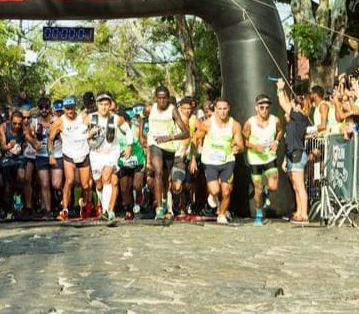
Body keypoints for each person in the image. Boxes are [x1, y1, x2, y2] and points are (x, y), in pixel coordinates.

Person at [194, 96, 244, 224]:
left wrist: (237, 148)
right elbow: (196, 137)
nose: (222, 111)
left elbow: (241, 144)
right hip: (210, 161)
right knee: (215, 190)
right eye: (220, 109)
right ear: (215, 109)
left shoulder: (235, 125)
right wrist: (198, 146)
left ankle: (221, 214)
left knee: (226, 190)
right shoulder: (208, 123)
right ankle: (212, 196)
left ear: (229, 109)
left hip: (227, 161)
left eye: (225, 109)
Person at [143, 85, 189, 219]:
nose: (162, 101)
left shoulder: (173, 110)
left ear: (168, 98)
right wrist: (141, 134)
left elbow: (186, 132)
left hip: (169, 146)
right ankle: (159, 208)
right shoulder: (150, 109)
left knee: (165, 178)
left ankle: (163, 200)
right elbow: (140, 117)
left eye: (164, 98)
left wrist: (169, 137)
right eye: (159, 98)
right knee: (158, 172)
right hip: (155, 143)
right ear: (156, 98)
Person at [87, 91, 134, 221]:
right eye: (101, 104)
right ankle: (104, 206)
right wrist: (88, 133)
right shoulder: (90, 118)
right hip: (96, 154)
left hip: (111, 153)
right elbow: (78, 134)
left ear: (110, 105)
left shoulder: (116, 118)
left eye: (106, 104)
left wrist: (129, 146)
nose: (104, 107)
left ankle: (107, 210)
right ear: (97, 105)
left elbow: (128, 130)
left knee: (107, 176)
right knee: (99, 184)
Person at [48, 95, 93, 221]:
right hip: (69, 155)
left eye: (72, 108)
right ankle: (65, 209)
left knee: (85, 185)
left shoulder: (83, 117)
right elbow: (50, 139)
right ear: (64, 108)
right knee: (70, 180)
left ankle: (84, 203)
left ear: (75, 107)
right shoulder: (59, 121)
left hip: (83, 153)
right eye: (67, 108)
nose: (70, 111)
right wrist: (50, 155)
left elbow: (95, 125)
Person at [242, 93, 283, 225]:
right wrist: (254, 146)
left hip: (269, 157)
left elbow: (280, 131)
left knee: (274, 186)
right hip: (255, 159)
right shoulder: (250, 123)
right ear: (256, 108)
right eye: (261, 107)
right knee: (258, 190)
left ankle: (267, 191)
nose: (264, 110)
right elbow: (242, 140)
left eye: (267, 107)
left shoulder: (275, 120)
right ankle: (259, 213)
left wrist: (276, 141)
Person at [276, 79, 311, 225]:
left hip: (297, 153)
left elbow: (284, 104)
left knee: (300, 185)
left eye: (294, 104)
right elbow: (287, 103)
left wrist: (279, 89)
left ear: (299, 107)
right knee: (296, 185)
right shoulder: (293, 121)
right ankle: (299, 211)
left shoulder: (300, 117)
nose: (291, 105)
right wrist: (283, 91)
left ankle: (304, 214)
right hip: (291, 155)